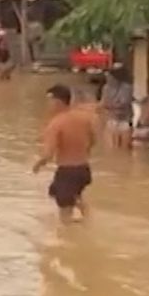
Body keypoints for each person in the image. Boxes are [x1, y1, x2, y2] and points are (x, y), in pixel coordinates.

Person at [33, 84, 98, 222]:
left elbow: (48, 154)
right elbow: (93, 141)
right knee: (60, 193)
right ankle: (89, 221)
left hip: (67, 171)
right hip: (84, 169)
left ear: (57, 102)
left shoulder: (56, 123)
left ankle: (70, 232)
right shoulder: (84, 118)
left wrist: (38, 164)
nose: (47, 105)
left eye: (49, 101)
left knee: (65, 213)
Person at [100, 65, 136, 149]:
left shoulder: (127, 87)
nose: (108, 77)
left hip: (124, 119)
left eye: (110, 75)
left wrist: (109, 105)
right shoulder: (106, 88)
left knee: (124, 148)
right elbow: (103, 103)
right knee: (110, 148)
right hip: (111, 118)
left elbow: (123, 103)